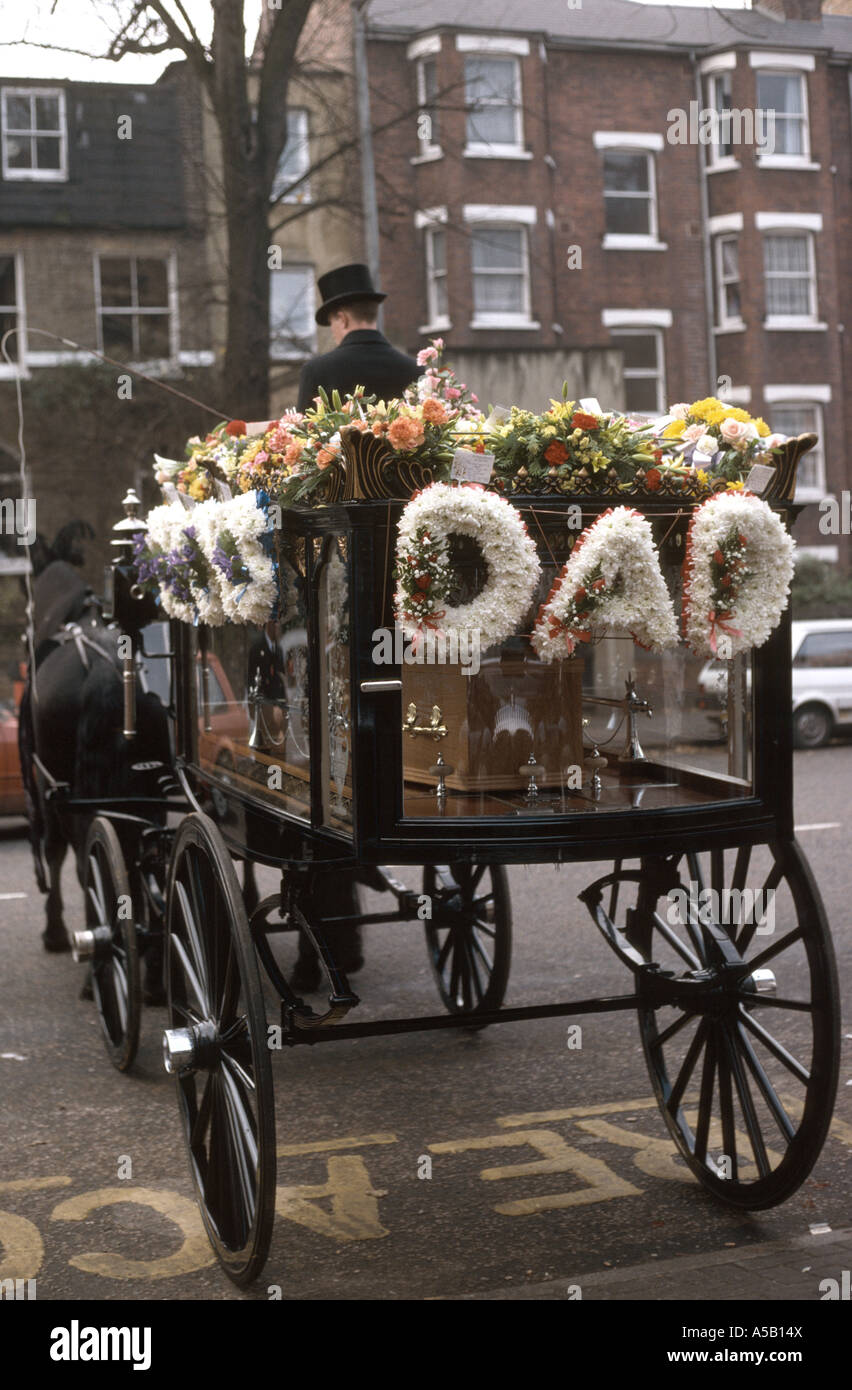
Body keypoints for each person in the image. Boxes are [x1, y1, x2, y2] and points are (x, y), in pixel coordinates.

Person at [297, 263, 419, 413]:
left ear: (343, 319)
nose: (332, 330)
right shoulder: (415, 370)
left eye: (331, 322)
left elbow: (303, 432)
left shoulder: (316, 371)